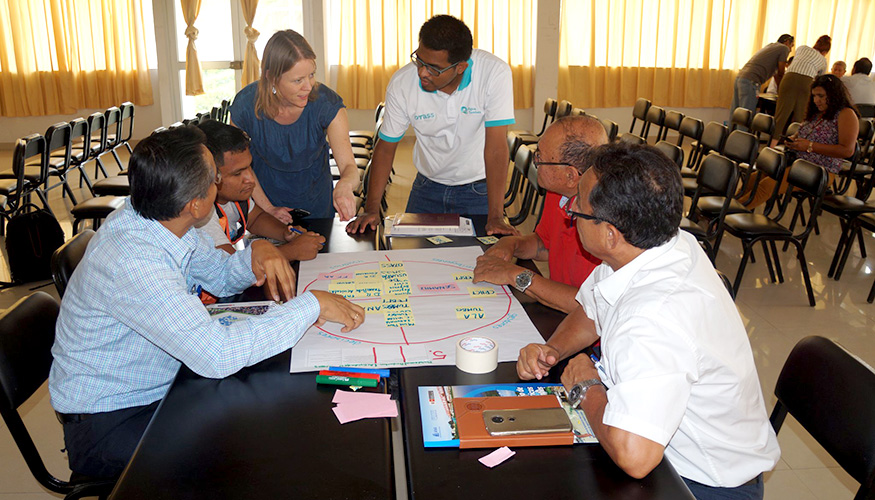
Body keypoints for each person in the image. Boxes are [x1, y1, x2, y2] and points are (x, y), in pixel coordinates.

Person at [49, 126, 365, 479]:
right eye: (214, 178)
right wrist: (311, 306)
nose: (219, 183)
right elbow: (217, 356)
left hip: (163, 385)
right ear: (196, 204)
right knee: (253, 450)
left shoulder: (157, 216)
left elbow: (218, 274)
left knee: (267, 407)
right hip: (113, 419)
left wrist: (257, 253)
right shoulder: (134, 261)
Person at [517, 142, 780, 499]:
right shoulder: (656, 244)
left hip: (700, 483)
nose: (571, 209)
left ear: (609, 233)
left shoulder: (653, 317)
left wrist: (586, 386)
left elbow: (635, 456)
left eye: (578, 205)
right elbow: (593, 308)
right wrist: (553, 349)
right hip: (664, 451)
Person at [347, 15, 517, 236]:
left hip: (478, 190)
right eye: (419, 60)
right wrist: (371, 209)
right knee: (411, 260)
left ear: (460, 67)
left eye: (433, 68)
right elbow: (386, 146)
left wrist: (495, 215)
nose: (422, 72)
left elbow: (495, 148)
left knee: (482, 263)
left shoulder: (494, 73)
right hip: (427, 187)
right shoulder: (403, 83)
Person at [472, 116, 605, 313]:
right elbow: (545, 244)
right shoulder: (557, 192)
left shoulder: (607, 221)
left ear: (570, 176)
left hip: (592, 333)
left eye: (540, 158)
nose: (536, 163)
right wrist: (513, 244)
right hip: (557, 309)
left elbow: (588, 307)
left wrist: (515, 275)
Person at [230, 30, 359, 222]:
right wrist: (268, 209)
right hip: (265, 208)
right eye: (298, 80)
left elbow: (349, 166)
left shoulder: (327, 104)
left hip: (317, 206)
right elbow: (239, 169)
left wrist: (345, 185)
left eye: (311, 75)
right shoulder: (245, 106)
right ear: (272, 78)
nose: (308, 86)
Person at [197, 119, 325, 262]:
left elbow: (255, 218)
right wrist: (292, 251)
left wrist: (285, 233)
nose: (250, 179)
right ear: (210, 175)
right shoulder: (201, 214)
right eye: (237, 173)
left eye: (249, 167)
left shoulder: (234, 195)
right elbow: (229, 267)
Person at [746, 74, 859, 208]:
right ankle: (729, 207)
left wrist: (810, 146)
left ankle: (727, 215)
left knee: (767, 186)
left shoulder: (846, 114)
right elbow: (806, 132)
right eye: (814, 96)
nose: (817, 100)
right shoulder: (818, 112)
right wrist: (794, 139)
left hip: (820, 171)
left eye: (821, 96)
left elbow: (847, 150)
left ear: (834, 94)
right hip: (797, 163)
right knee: (753, 179)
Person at [773, 35, 831, 139]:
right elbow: (820, 80)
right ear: (826, 51)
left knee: (780, 116)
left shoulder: (802, 48)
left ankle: (771, 145)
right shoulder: (823, 61)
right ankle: (795, 146)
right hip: (807, 82)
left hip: (788, 78)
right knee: (800, 116)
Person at [731, 34, 794, 116]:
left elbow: (776, 76)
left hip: (740, 78)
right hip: (751, 81)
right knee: (746, 116)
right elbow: (781, 73)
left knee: (736, 113)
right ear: (787, 42)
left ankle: (732, 129)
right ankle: (742, 129)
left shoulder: (770, 47)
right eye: (791, 46)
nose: (791, 50)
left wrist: (780, 92)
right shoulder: (783, 48)